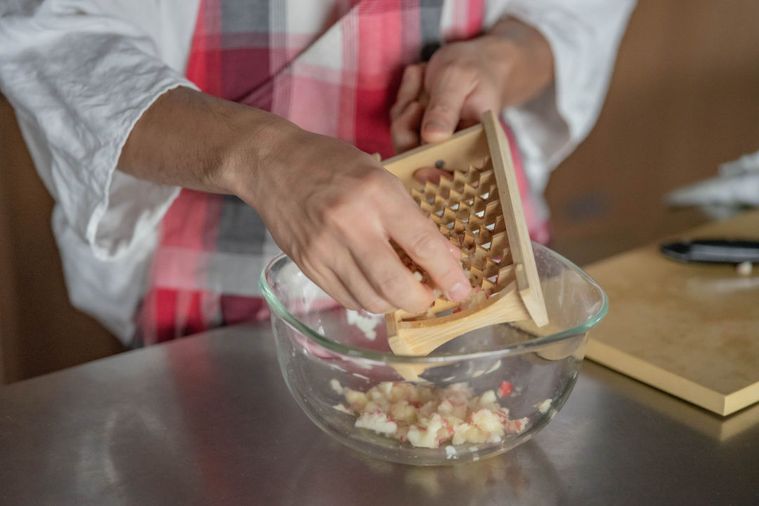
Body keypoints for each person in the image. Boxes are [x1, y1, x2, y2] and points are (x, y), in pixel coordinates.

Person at [0, 0, 635, 346]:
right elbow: (47, 33)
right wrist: (262, 156)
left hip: (488, 263)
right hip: (216, 303)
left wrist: (504, 56)